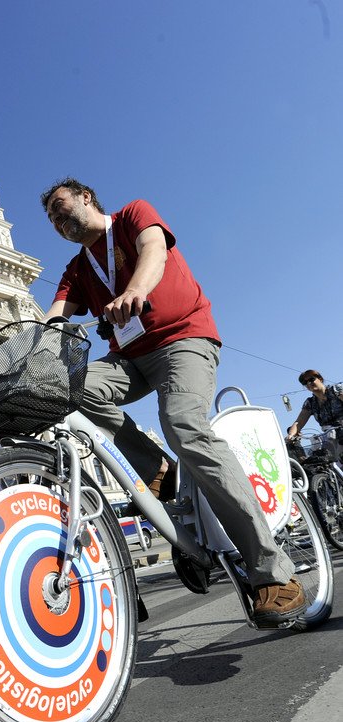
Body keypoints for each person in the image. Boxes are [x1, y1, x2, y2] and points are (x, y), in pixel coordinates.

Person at [41, 178, 304, 625]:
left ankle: (273, 572)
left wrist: (135, 290)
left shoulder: (132, 215)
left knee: (182, 424)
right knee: (72, 388)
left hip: (183, 339)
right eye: (50, 218)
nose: (56, 219)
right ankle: (158, 469)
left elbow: (154, 250)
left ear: (86, 197)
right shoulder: (77, 268)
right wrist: (36, 343)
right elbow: (56, 313)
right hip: (130, 357)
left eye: (60, 206)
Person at [287, 370, 343, 438]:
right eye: (305, 382)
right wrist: (290, 435)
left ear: (320, 379)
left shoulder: (336, 390)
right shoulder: (310, 403)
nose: (309, 383)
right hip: (330, 438)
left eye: (311, 379)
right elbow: (298, 423)